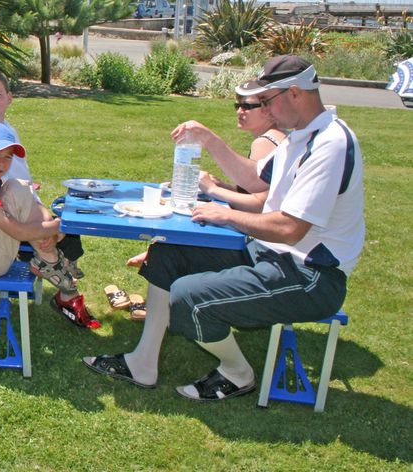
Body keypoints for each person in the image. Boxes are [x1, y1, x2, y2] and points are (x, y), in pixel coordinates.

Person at [84, 55, 364, 401]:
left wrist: (224, 215)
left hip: (310, 277)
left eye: (266, 101)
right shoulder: (299, 137)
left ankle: (237, 372)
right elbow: (254, 180)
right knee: (168, 253)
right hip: (268, 254)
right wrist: (208, 139)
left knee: (190, 298)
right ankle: (143, 362)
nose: (265, 110)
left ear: (294, 93)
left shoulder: (329, 144)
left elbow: (290, 228)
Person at [0, 123, 100, 329]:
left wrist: (52, 227)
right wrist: (60, 226)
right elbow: (17, 231)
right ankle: (57, 273)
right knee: (16, 190)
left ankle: (50, 262)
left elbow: (33, 204)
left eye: (8, 156)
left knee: (18, 187)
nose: (1, 163)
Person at [124, 91, 287, 267]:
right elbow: (261, 194)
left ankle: (156, 262)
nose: (240, 111)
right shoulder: (277, 135)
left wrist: (213, 189)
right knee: (177, 237)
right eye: (237, 106)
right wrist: (221, 185)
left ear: (268, 109)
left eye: (247, 106)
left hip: (261, 245)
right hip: (263, 238)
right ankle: (155, 258)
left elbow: (260, 205)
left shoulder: (265, 142)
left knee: (175, 245)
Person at [0, 68, 86, 270]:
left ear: (9, 98)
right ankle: (58, 276)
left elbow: (24, 182)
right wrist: (44, 225)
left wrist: (43, 216)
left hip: (17, 202)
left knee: (67, 230)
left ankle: (61, 271)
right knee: (58, 230)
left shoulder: (7, 129)